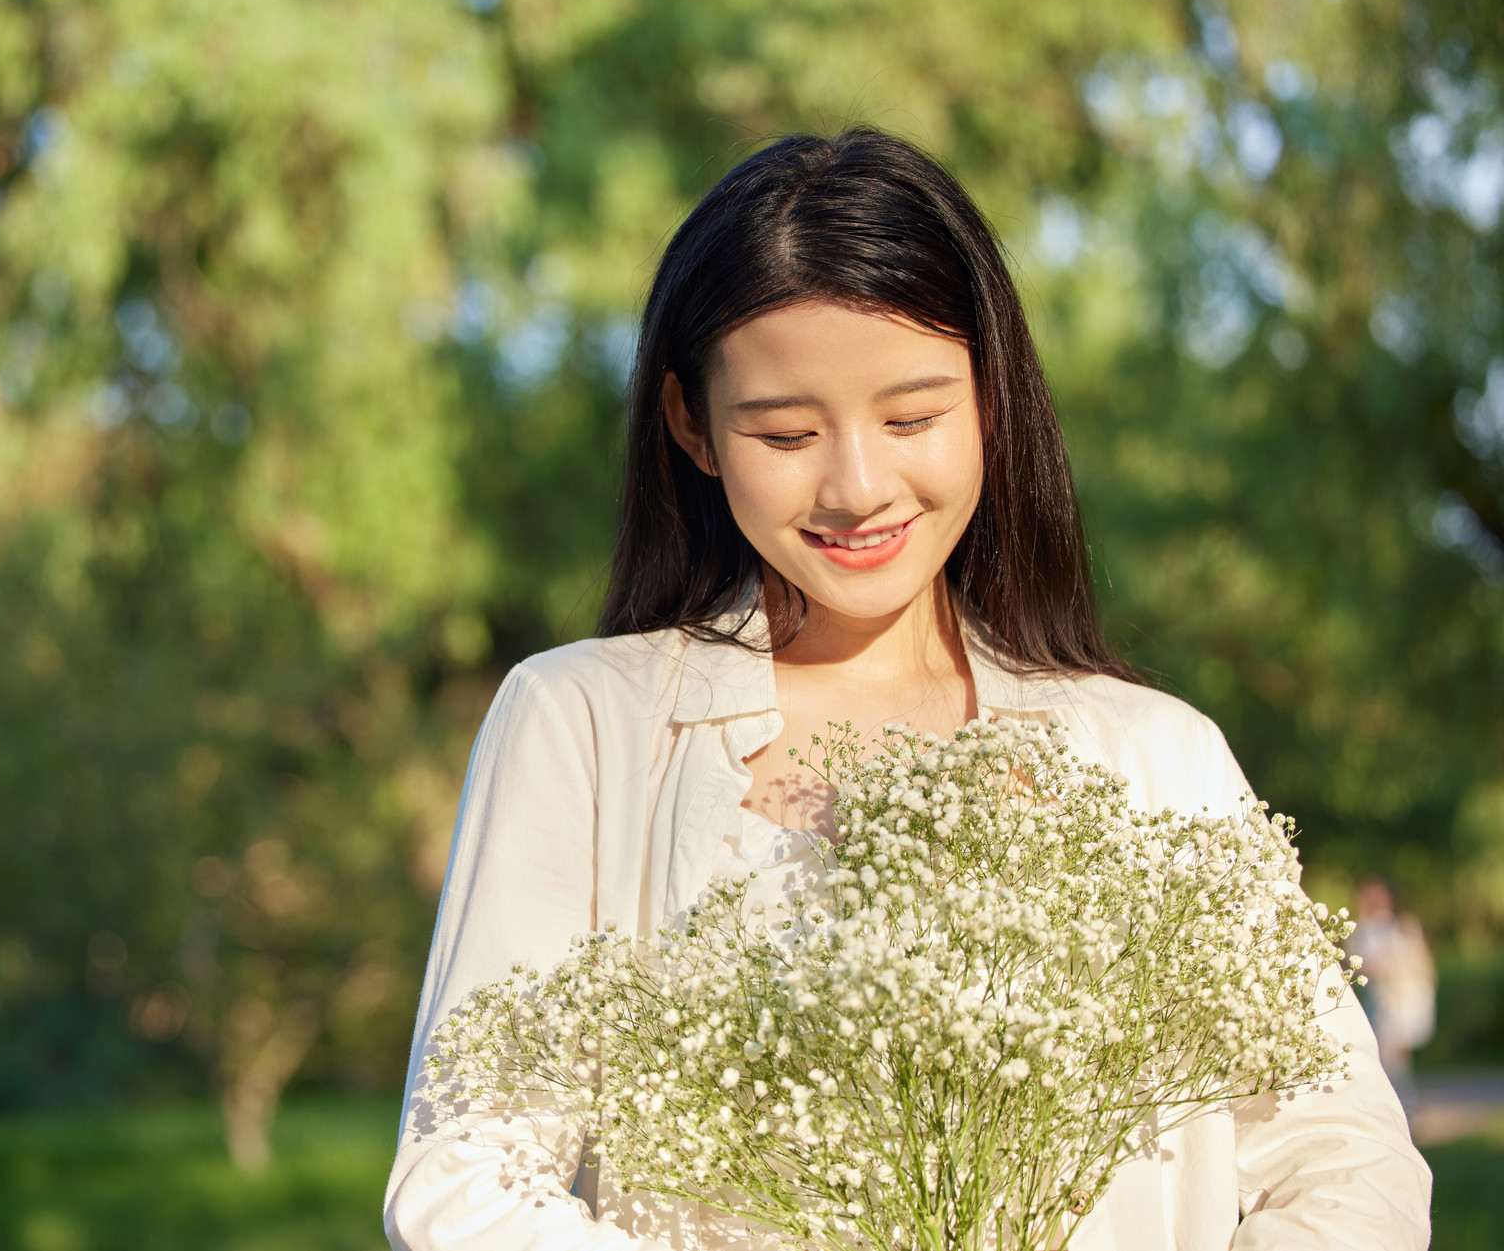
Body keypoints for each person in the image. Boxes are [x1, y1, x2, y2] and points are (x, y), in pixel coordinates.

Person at [384, 128, 1430, 1250]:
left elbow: (1344, 1160)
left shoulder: (1155, 754)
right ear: (691, 426)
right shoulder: (578, 726)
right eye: (784, 431)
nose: (858, 486)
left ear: (992, 398)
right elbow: (466, 1180)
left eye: (914, 417)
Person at [1348, 875, 1438, 1098]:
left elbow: (1418, 963)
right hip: (1381, 1003)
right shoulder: (1363, 931)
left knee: (1394, 1057)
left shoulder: (1402, 926)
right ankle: (1405, 1104)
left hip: (1401, 1001)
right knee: (1389, 1058)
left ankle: (1405, 1105)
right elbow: (1361, 965)